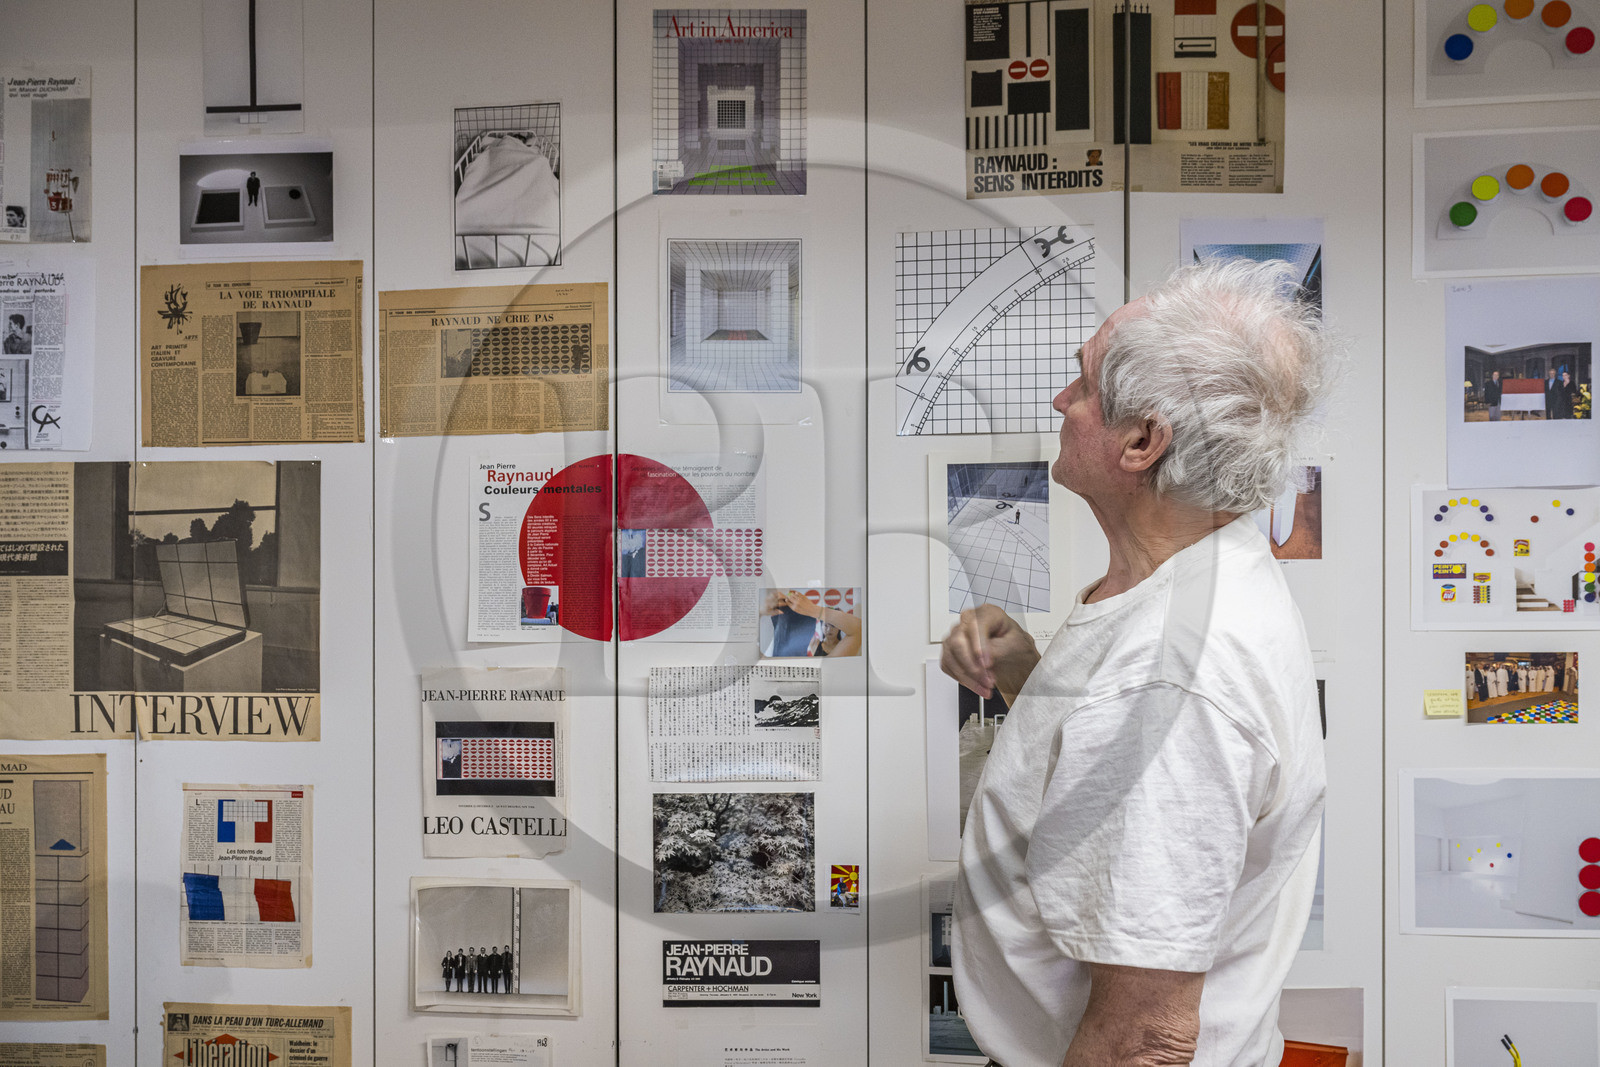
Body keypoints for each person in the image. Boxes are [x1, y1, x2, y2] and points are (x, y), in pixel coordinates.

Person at [940, 259, 1335, 1067]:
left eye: (1082, 385)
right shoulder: (1200, 576)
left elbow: (1144, 1038)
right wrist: (1024, 675)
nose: (1061, 402)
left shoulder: (1174, 675)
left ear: (1143, 441)